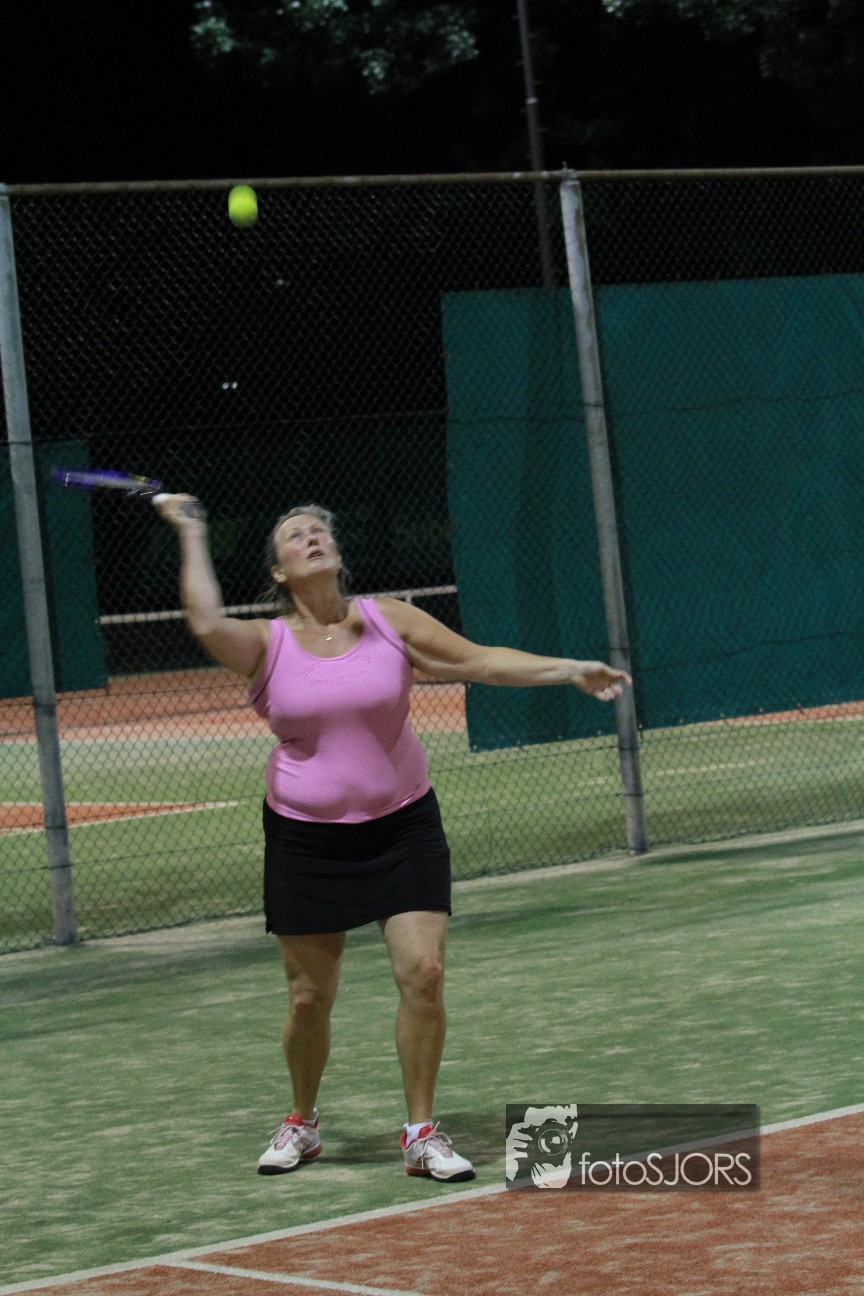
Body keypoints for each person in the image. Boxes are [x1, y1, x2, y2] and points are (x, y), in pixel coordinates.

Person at [156, 496, 631, 1183]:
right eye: (295, 535)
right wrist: (193, 530)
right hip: (305, 839)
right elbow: (204, 621)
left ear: (336, 552)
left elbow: (480, 661)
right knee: (308, 999)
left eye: (321, 530)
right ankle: (302, 1121)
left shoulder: (388, 620)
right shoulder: (266, 643)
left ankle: (421, 1132)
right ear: (280, 571)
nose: (312, 536)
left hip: (403, 824)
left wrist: (569, 669)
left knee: (424, 972)